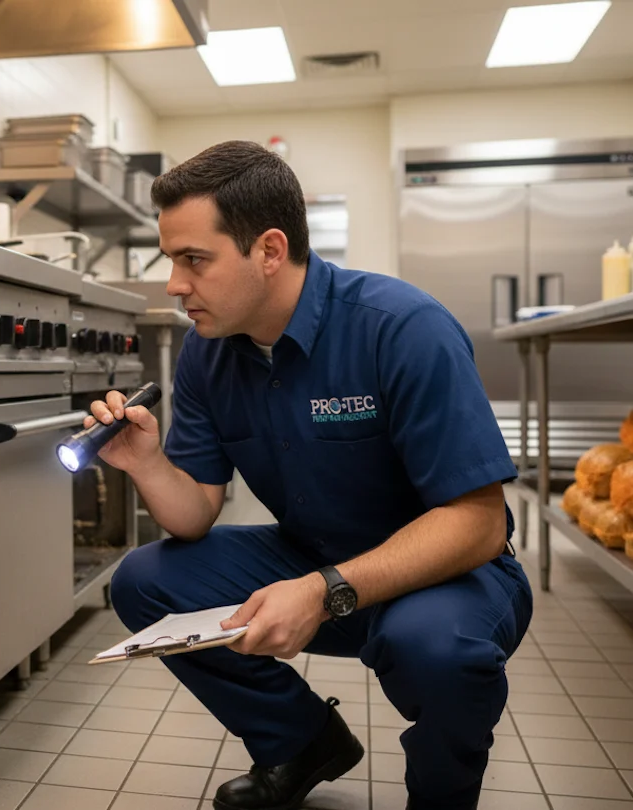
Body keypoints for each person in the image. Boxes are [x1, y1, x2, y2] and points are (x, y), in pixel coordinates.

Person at [87, 140, 533, 810]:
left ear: (269, 251)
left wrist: (326, 592)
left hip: (448, 575)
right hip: (313, 558)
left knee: (434, 649)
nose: (176, 283)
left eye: (193, 259)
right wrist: (145, 462)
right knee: (145, 581)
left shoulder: (401, 328)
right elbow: (194, 514)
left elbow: (479, 523)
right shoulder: (209, 355)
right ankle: (301, 742)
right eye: (171, 259)